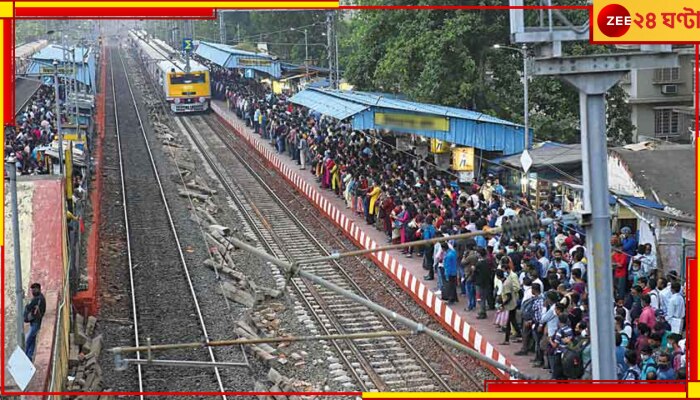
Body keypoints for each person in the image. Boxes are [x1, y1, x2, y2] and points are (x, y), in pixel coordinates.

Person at [23, 283, 46, 361]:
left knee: (28, 340)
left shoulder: (37, 299)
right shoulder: (41, 297)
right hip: (36, 322)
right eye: (32, 290)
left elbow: (28, 307)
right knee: (32, 339)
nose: (33, 291)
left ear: (39, 289)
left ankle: (25, 357)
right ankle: (29, 356)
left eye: (34, 289)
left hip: (36, 322)